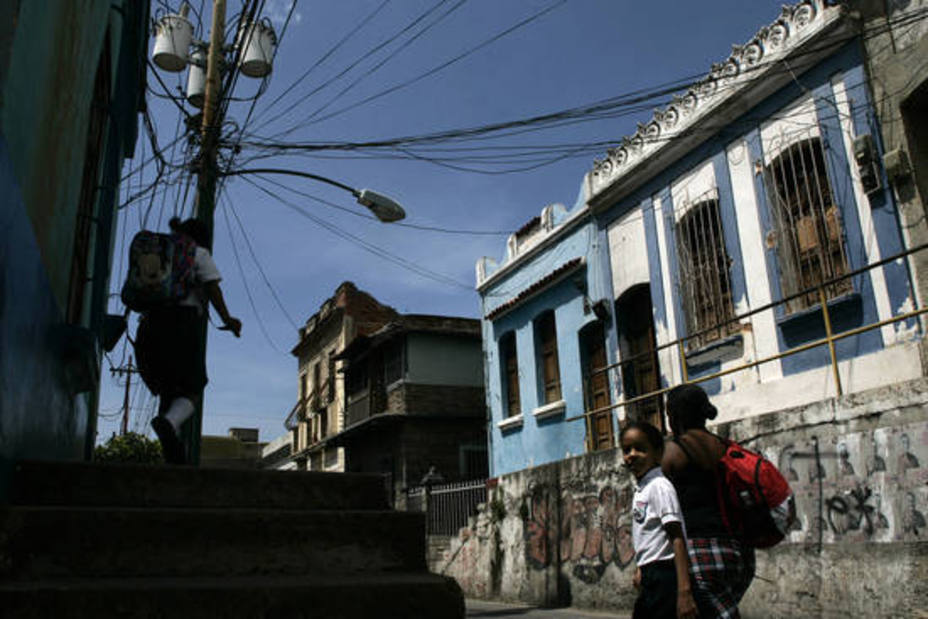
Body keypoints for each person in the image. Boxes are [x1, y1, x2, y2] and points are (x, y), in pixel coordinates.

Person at [134, 217, 241, 464]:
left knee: (168, 393)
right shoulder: (197, 253)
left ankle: (172, 454)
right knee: (193, 386)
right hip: (181, 324)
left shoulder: (158, 251)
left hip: (149, 325)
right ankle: (170, 423)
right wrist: (228, 319)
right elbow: (213, 287)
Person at [661, 384, 755, 619]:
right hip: (738, 554)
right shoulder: (725, 447)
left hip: (700, 554)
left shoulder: (672, 452)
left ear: (676, 416)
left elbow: (662, 511)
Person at [620, 420, 698, 619]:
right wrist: (640, 568)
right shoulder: (643, 488)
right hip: (650, 575)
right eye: (627, 450)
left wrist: (684, 591)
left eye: (640, 449)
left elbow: (677, 537)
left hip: (665, 574)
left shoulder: (659, 486)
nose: (632, 455)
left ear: (658, 452)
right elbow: (648, 535)